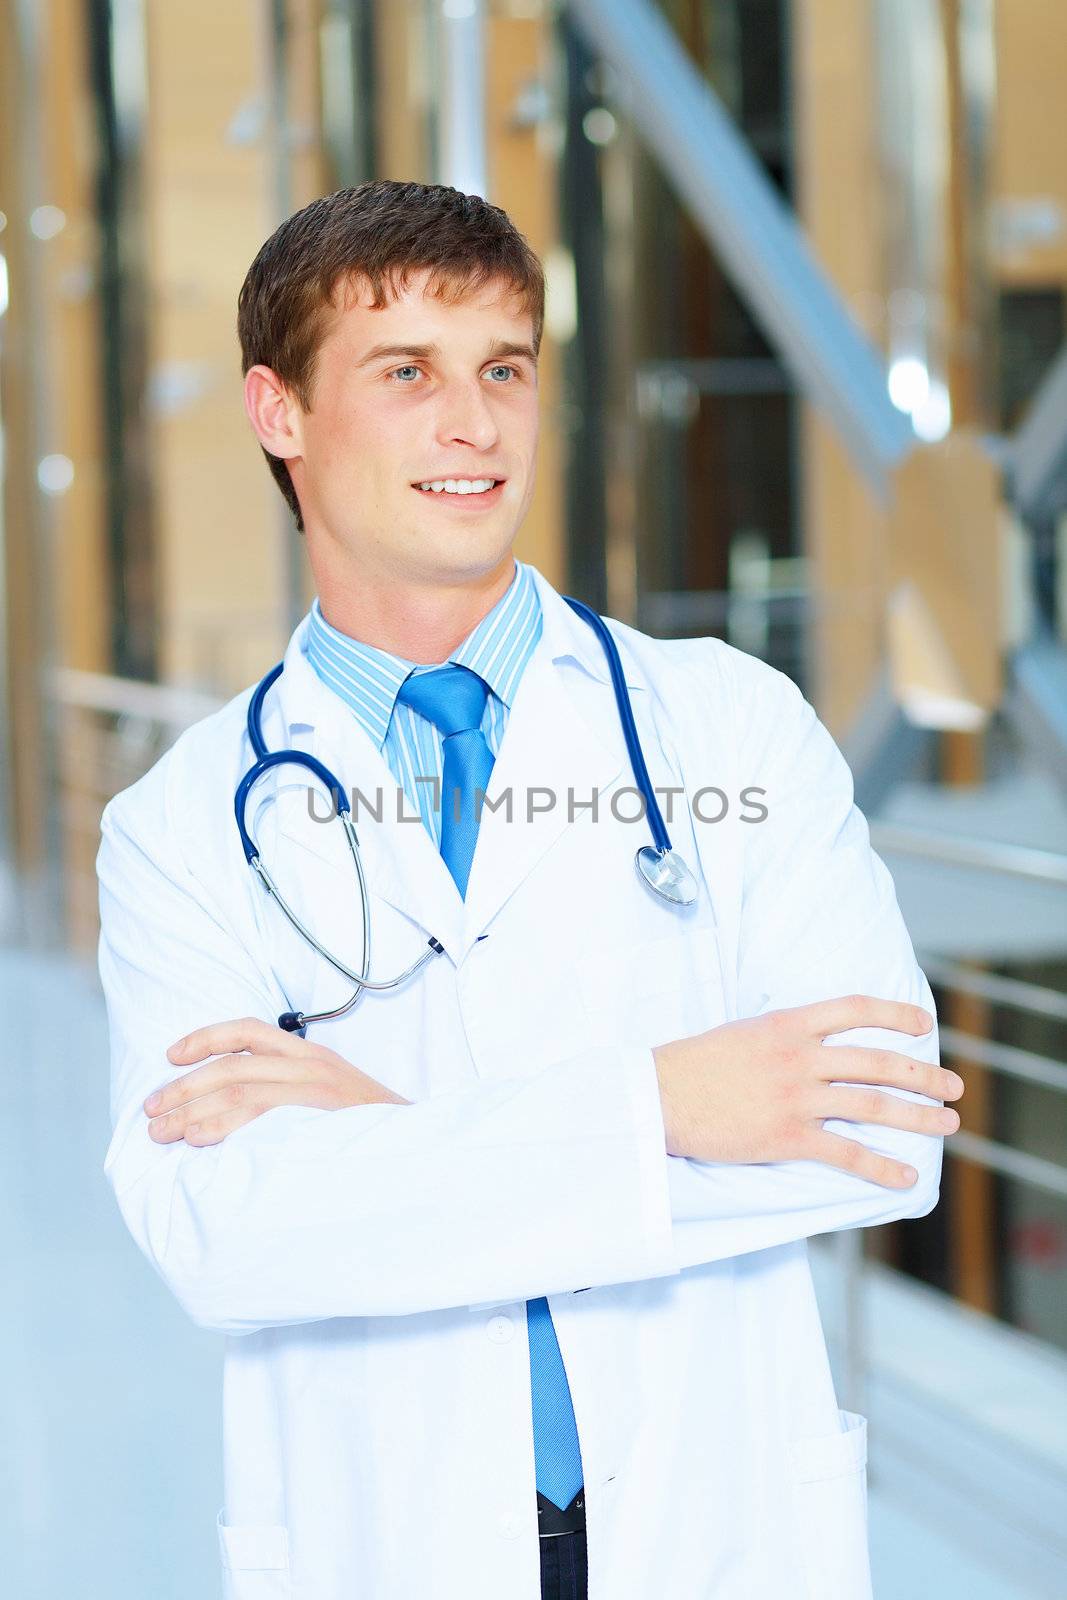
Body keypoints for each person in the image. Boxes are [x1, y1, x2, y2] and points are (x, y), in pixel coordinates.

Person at [97, 180, 963, 1600]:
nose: (475, 423)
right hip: (387, 1533)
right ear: (279, 413)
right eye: (407, 373)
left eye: (505, 368)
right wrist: (669, 1106)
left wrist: (394, 1133)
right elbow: (224, 1237)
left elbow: (879, 1129)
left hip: (715, 1517)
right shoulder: (179, 826)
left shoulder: (728, 726)